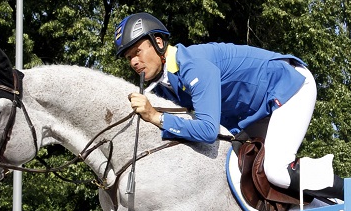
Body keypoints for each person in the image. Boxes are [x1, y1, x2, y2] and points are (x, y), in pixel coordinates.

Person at [112, 11, 324, 200]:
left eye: (137, 52)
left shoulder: (193, 66)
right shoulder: (162, 87)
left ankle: (349, 193)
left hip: (288, 86)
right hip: (255, 112)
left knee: (276, 170)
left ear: (158, 42)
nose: (133, 62)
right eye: (129, 57)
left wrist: (155, 116)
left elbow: (207, 130)